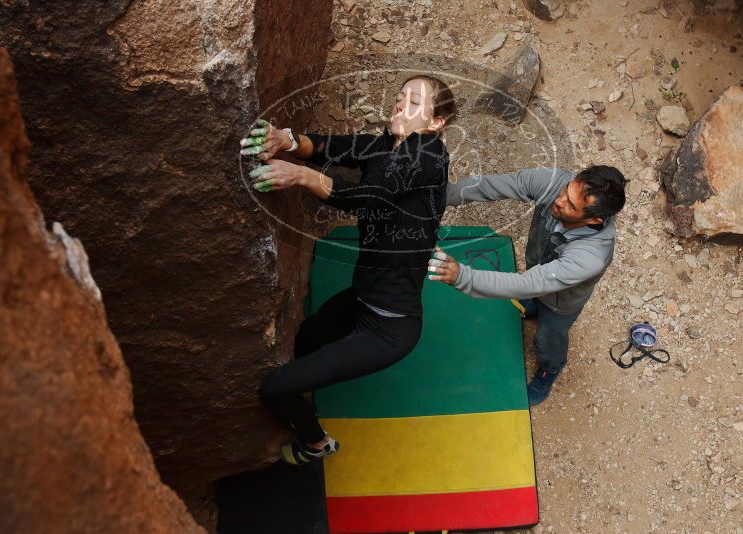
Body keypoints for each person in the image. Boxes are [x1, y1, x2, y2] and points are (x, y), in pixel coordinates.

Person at [246, 75, 456, 464]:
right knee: (308, 337)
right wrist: (288, 141)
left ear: (435, 122)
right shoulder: (387, 146)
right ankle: (307, 385)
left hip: (389, 328)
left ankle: (316, 445)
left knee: (274, 388)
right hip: (361, 298)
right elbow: (330, 147)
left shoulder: (427, 155)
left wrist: (300, 175)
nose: (399, 105)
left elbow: (368, 197)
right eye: (398, 97)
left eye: (413, 101)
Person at [428, 165, 626, 405]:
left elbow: (528, 283)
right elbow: (490, 186)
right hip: (539, 269)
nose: (560, 201)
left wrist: (462, 277)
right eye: (566, 190)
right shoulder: (553, 183)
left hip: (560, 302)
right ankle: (532, 307)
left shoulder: (591, 257)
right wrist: (434, 197)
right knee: (533, 295)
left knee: (548, 338)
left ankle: (549, 369)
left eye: (572, 206)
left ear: (595, 220)